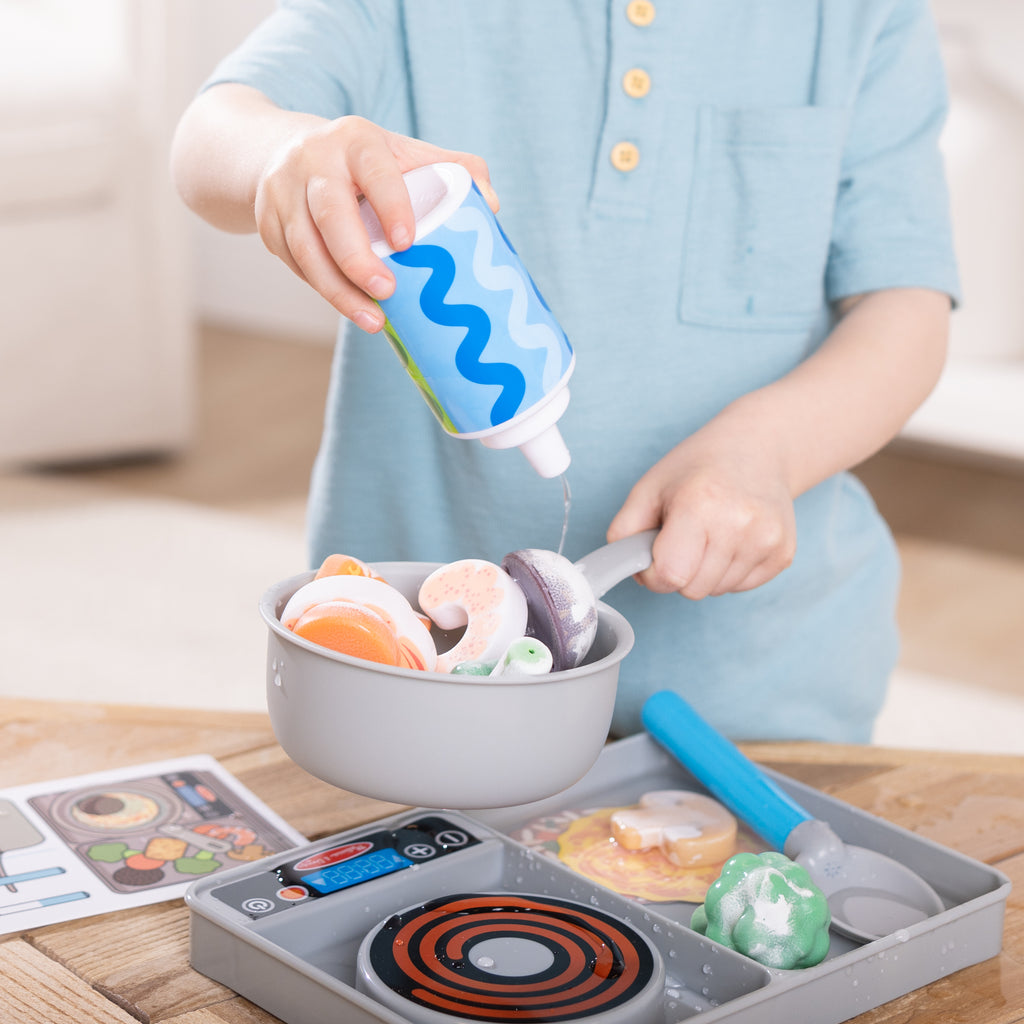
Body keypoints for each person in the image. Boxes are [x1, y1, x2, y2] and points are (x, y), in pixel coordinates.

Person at [172, 0, 959, 742]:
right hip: (406, 686)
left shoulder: (863, 18)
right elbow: (211, 133)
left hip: (756, 701)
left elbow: (907, 306)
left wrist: (767, 450)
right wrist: (285, 156)